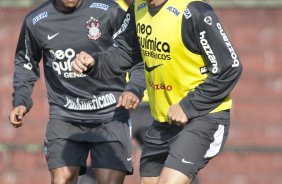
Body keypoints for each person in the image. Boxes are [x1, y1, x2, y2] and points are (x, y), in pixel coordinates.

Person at [71, 0, 243, 184]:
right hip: (163, 122)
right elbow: (125, 53)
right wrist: (95, 62)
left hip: (202, 118)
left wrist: (188, 106)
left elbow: (230, 68)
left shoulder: (193, 11)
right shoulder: (138, 8)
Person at [9, 0, 146, 184]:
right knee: (62, 179)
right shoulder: (36, 21)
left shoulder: (109, 11)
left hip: (109, 114)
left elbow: (135, 55)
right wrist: (21, 100)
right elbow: (25, 64)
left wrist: (134, 89)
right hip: (65, 115)